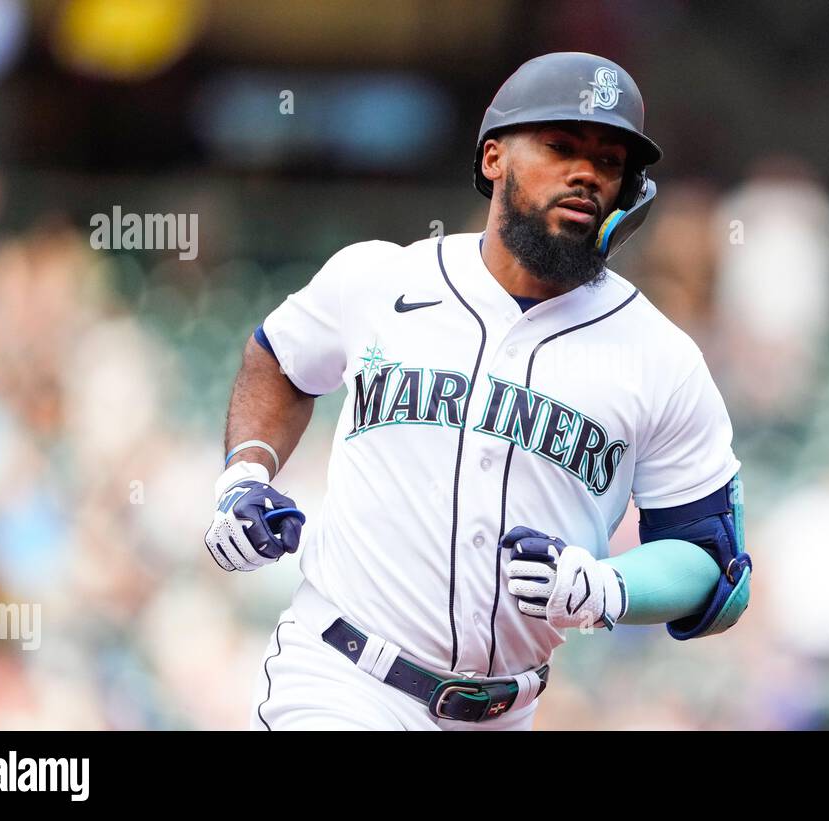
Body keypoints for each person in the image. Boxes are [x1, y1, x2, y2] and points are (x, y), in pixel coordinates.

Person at [204, 52, 752, 730]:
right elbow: (279, 360)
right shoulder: (380, 279)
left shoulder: (659, 356)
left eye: (610, 161)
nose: (587, 172)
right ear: (494, 157)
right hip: (343, 677)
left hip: (504, 711)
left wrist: (608, 585)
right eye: (560, 146)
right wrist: (245, 472)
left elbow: (715, 567)